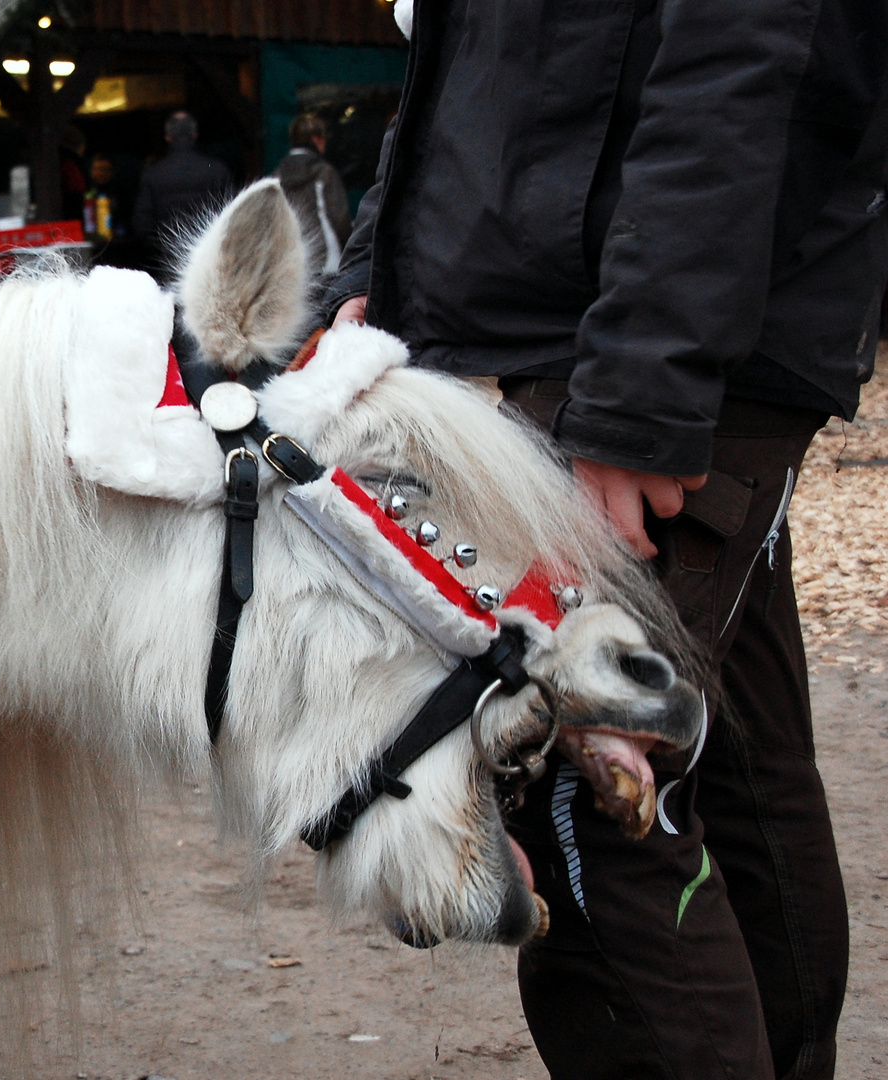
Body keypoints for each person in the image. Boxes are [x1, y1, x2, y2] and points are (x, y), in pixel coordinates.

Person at [326, 2, 885, 1078]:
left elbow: (740, 43)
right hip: (626, 325)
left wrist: (640, 385)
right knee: (733, 769)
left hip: (635, 339)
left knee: (580, 770)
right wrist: (373, 277)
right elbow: (458, 56)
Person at [130, 111, 233, 254]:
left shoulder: (153, 174)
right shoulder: (218, 170)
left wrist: (163, 247)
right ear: (195, 135)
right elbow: (231, 218)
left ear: (167, 137)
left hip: (169, 257)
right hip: (209, 254)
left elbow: (142, 226)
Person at [273, 113, 351, 277]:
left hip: (290, 264)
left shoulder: (276, 177)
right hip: (329, 261)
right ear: (316, 138)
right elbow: (340, 219)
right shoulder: (324, 172)